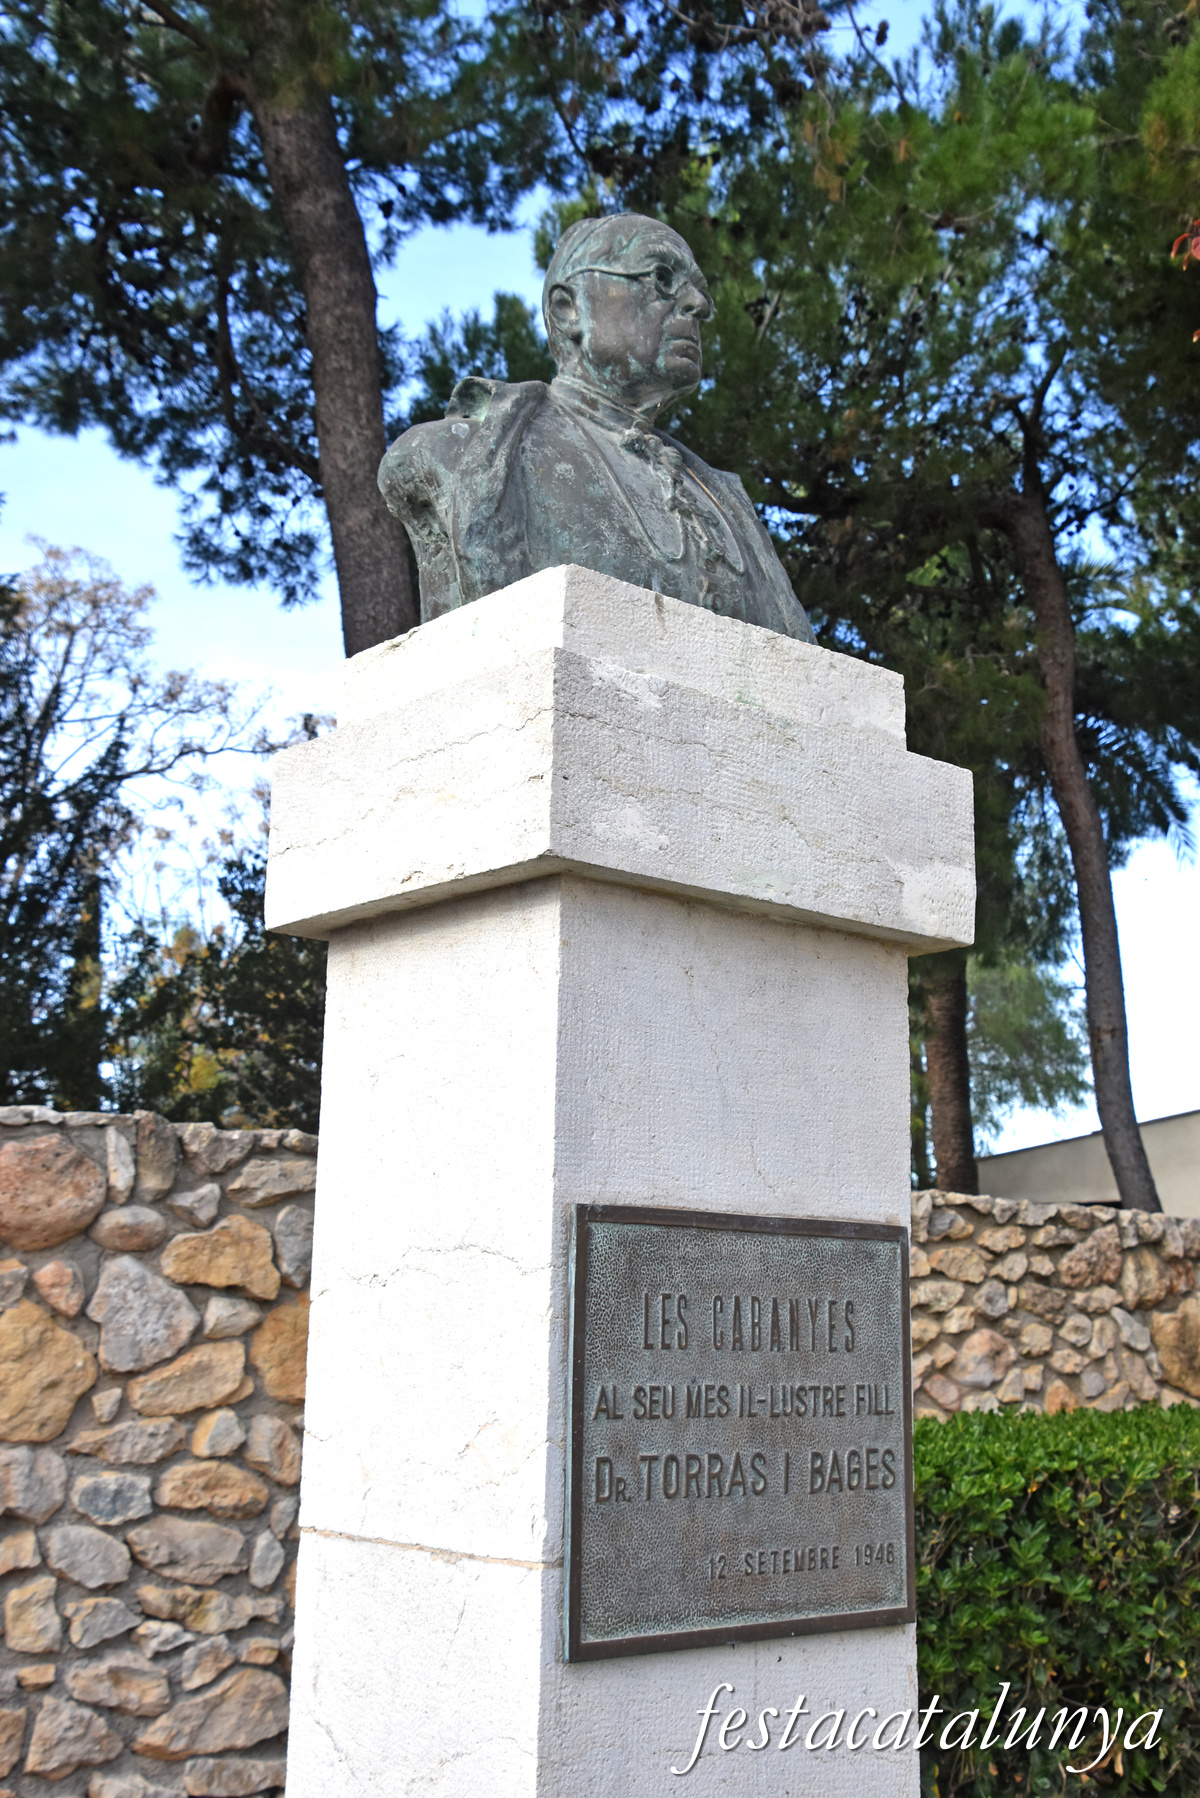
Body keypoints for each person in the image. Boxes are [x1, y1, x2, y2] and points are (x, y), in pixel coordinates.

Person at [378, 213, 815, 643]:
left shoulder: (725, 497)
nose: (697, 305)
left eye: (700, 292)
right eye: (661, 277)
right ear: (568, 311)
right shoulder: (466, 453)